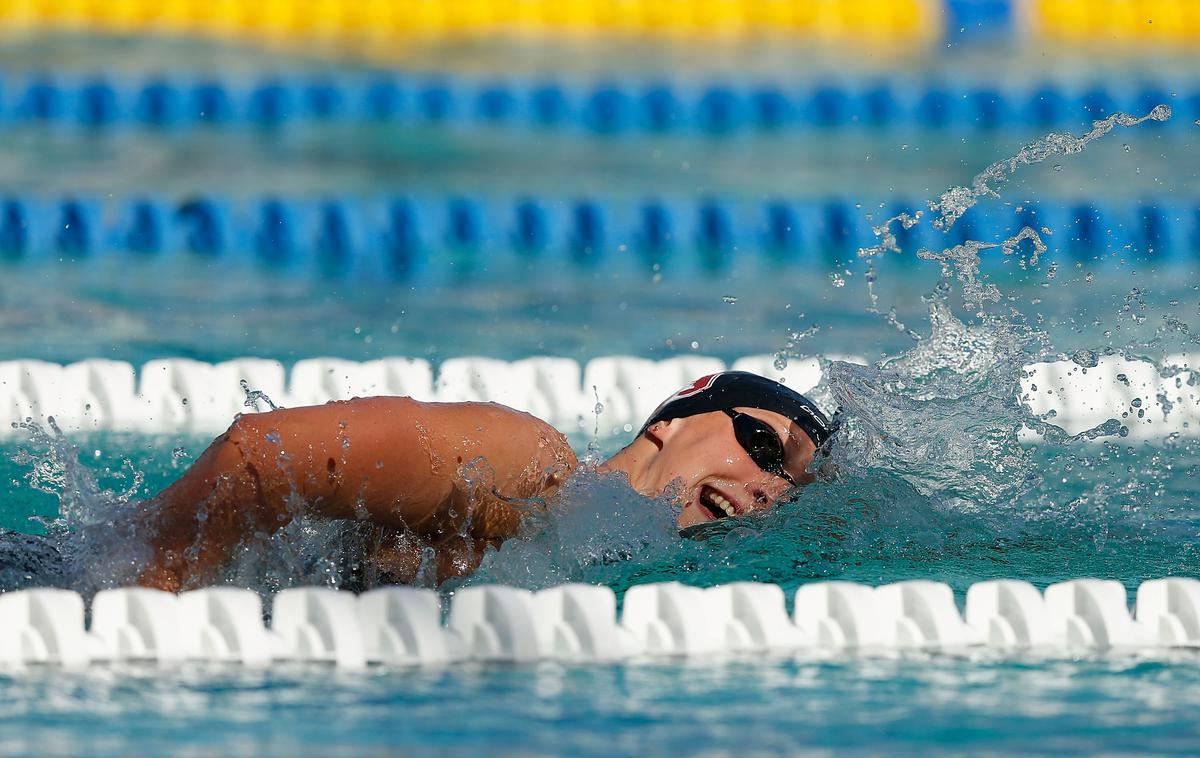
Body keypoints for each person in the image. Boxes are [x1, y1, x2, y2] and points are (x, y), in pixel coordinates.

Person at [136, 371, 837, 591]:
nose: (770, 488)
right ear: (671, 422)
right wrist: (151, 605)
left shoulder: (614, 562)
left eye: (790, 492)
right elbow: (262, 454)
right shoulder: (535, 473)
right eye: (765, 448)